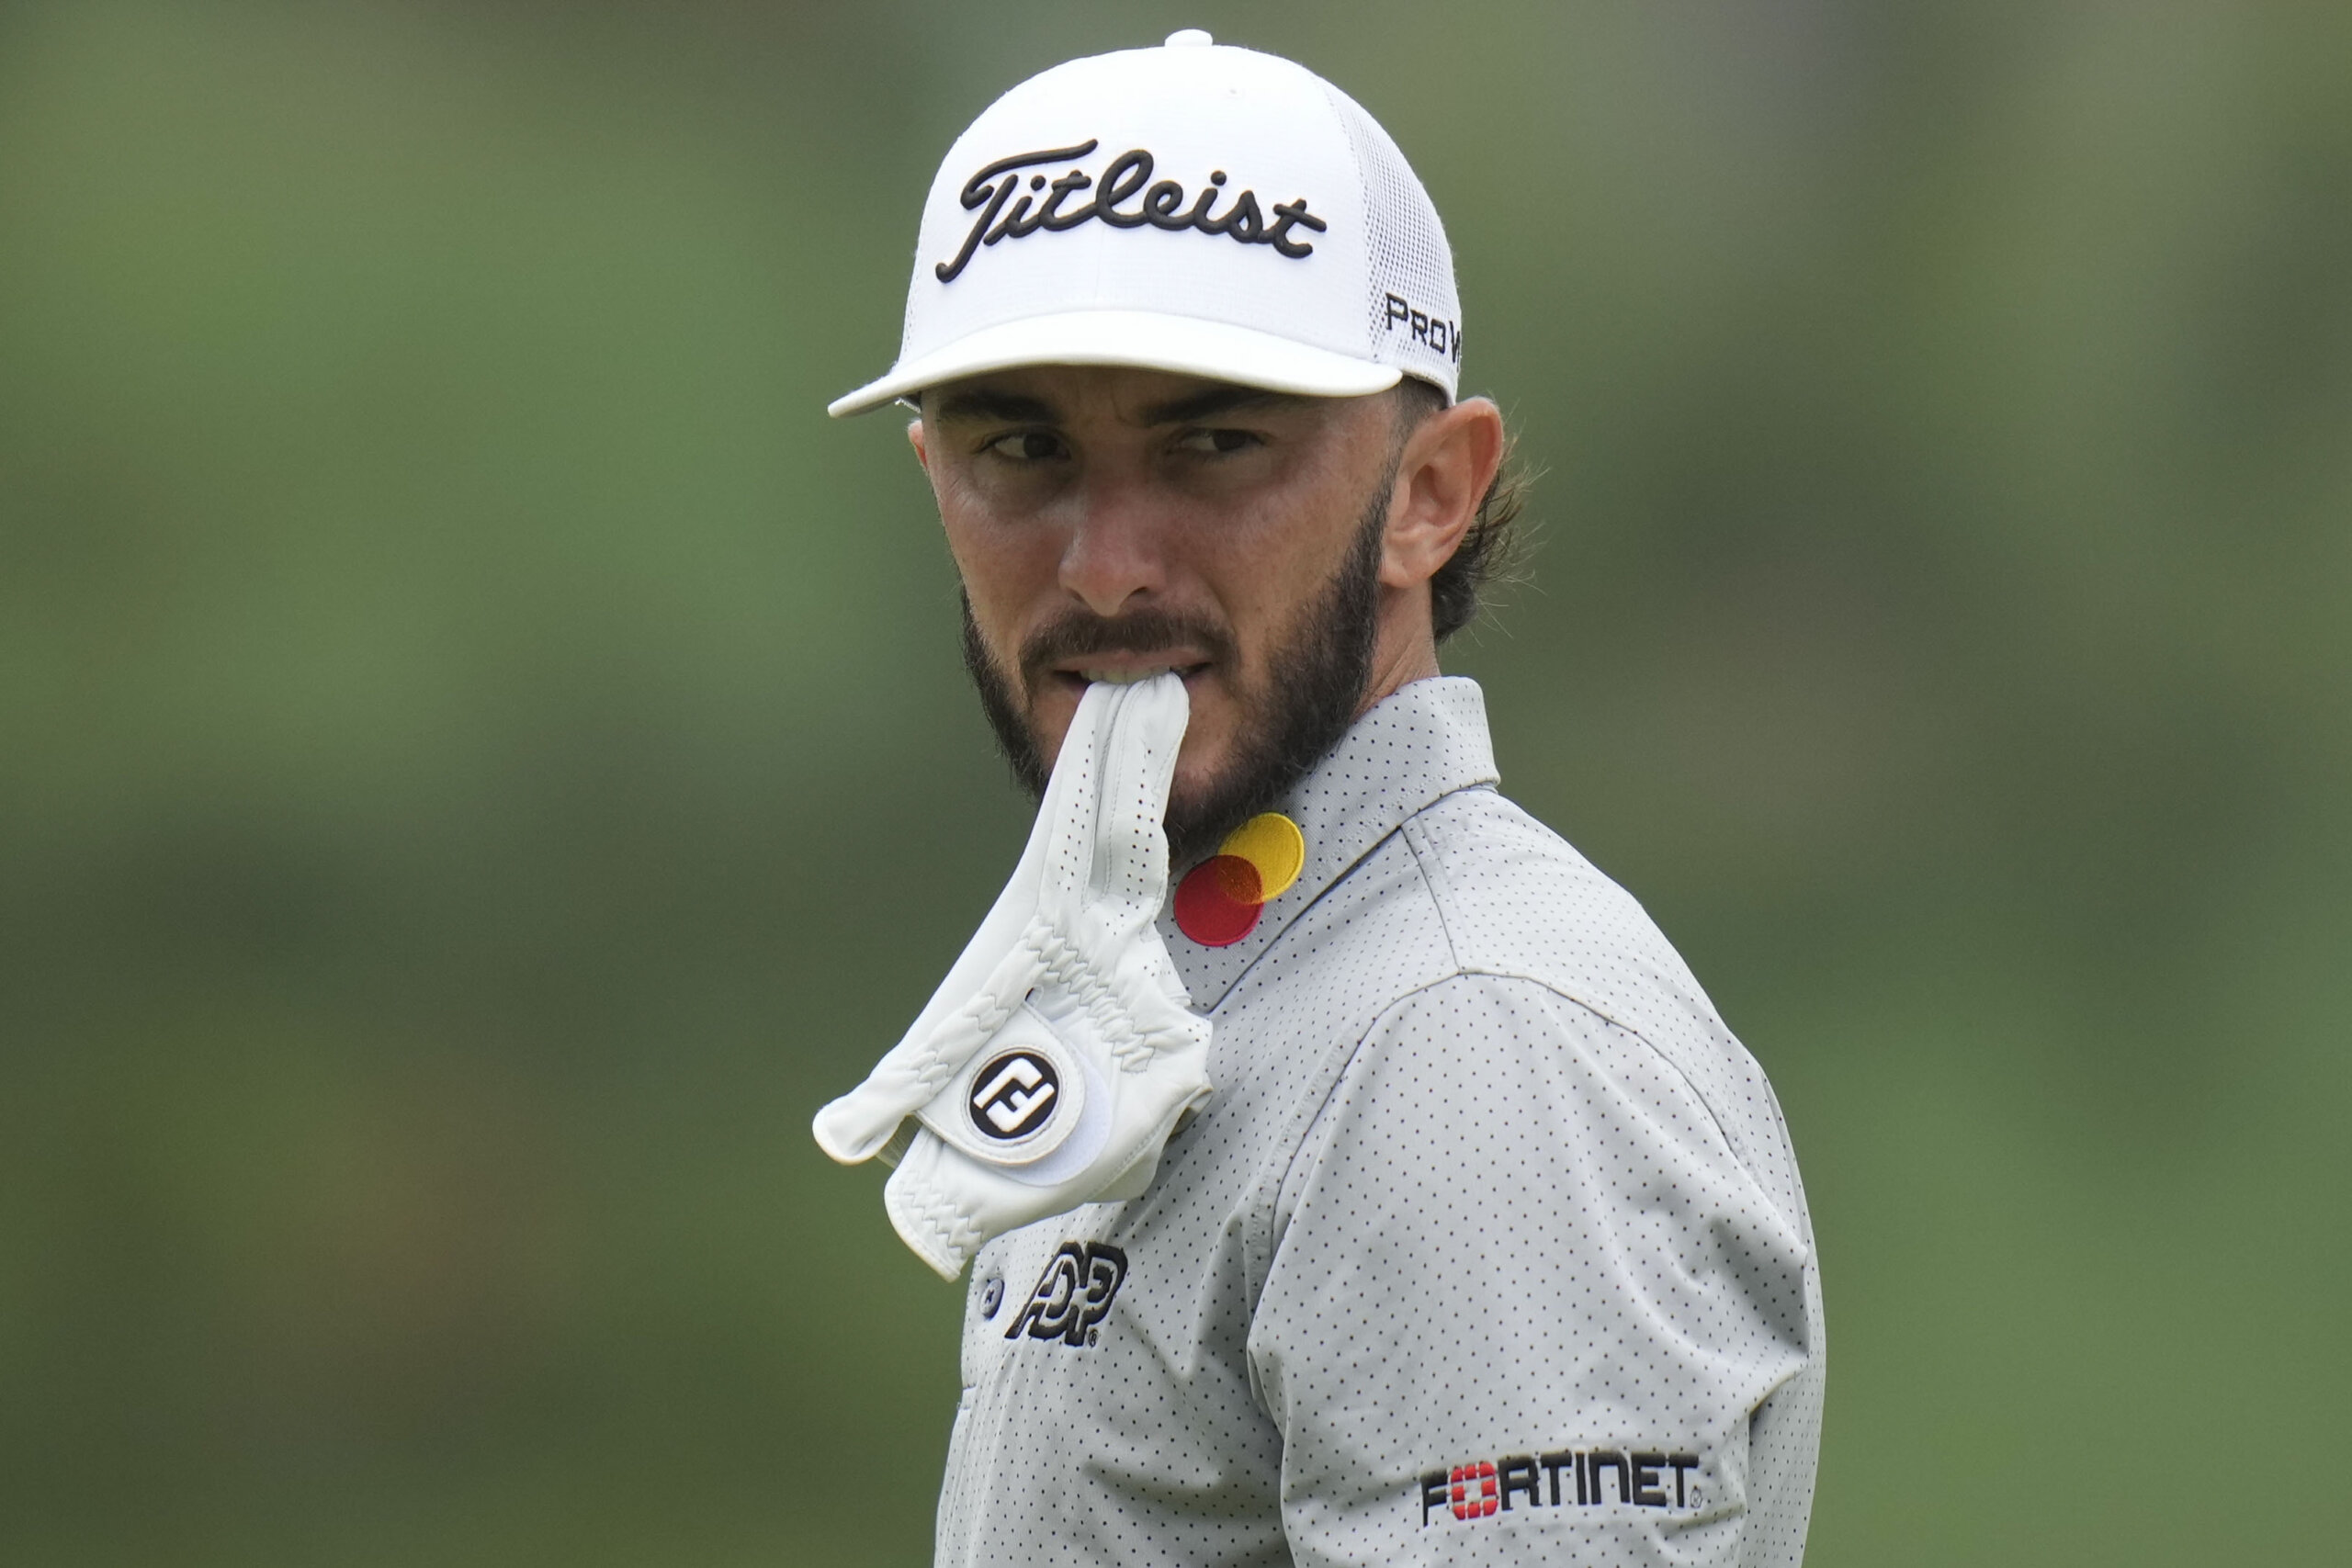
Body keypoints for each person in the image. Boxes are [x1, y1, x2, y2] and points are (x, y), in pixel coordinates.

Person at [814, 30, 1823, 1566]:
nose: (1103, 564)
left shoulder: (1470, 1048)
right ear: (932, 477)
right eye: (1021, 446)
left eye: (1212, 444)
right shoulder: (1200, 993)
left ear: (1431, 493)